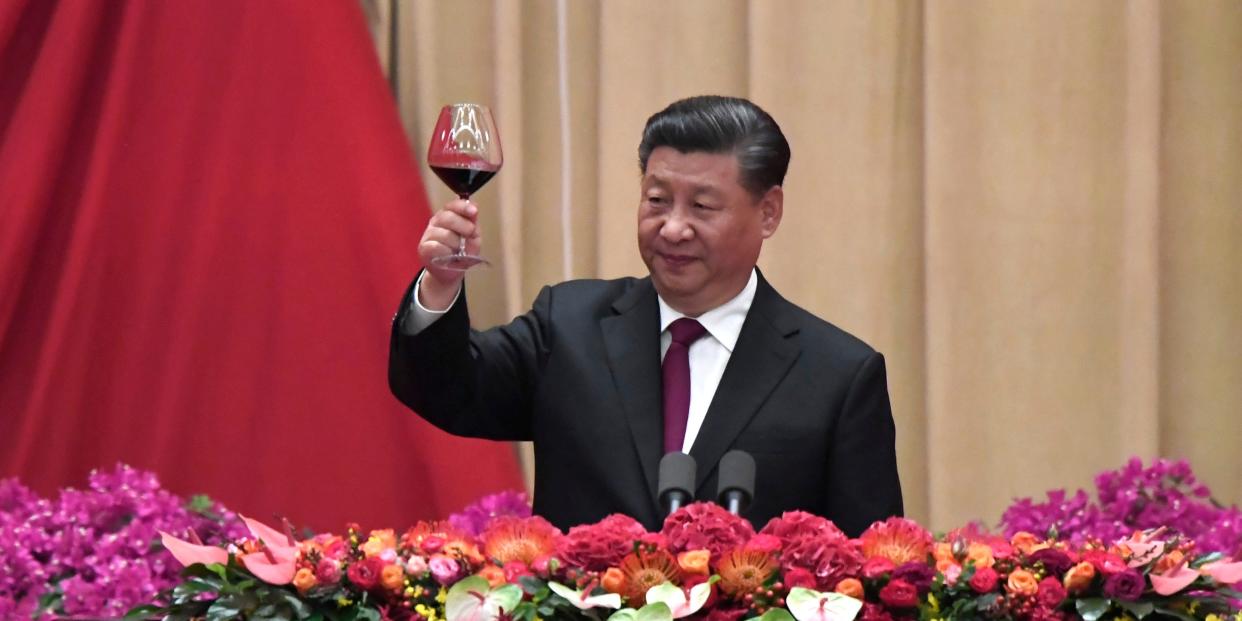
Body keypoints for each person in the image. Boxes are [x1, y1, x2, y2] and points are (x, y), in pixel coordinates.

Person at [389, 95, 902, 536]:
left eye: (702, 207)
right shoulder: (568, 326)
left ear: (768, 212)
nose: (673, 228)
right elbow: (445, 389)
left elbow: (869, 572)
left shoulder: (837, 376)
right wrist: (441, 283)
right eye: (657, 200)